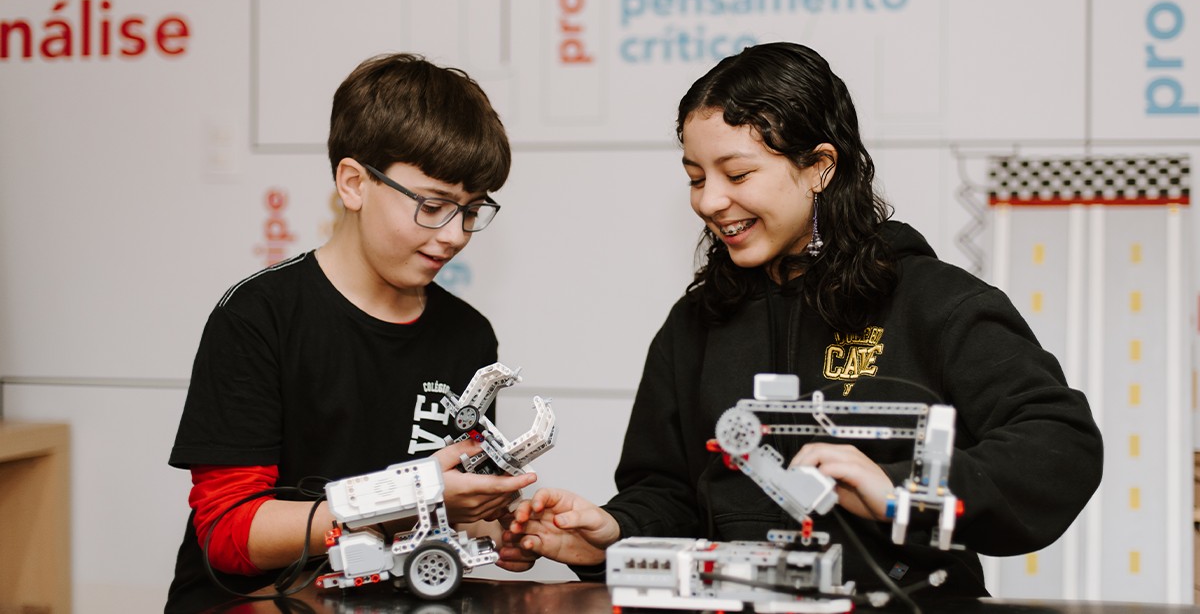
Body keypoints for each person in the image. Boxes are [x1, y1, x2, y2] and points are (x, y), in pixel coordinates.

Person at [508, 42, 1104, 599]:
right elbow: (666, 493)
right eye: (695, 177)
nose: (709, 201)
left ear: (820, 165)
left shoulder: (934, 301)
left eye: (737, 175)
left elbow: (1059, 446)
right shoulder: (694, 324)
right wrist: (612, 532)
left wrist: (900, 494)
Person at [165, 53, 537, 613]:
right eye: (434, 205)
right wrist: (401, 498)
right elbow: (227, 535)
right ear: (354, 183)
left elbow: (458, 514)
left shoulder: (468, 336)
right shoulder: (260, 317)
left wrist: (501, 529)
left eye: (472, 209)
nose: (456, 234)